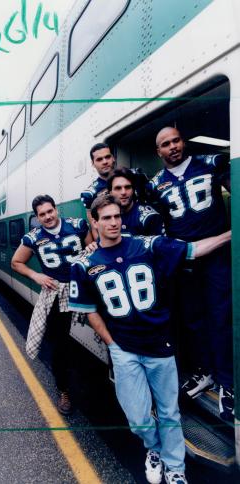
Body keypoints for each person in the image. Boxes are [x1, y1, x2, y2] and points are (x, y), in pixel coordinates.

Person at [68, 195, 231, 484]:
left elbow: (193, 249)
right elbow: (89, 311)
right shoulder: (83, 264)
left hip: (158, 345)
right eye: (106, 217)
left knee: (169, 412)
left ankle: (175, 467)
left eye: (117, 216)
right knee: (139, 419)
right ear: (94, 222)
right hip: (124, 349)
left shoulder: (146, 244)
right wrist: (112, 344)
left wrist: (232, 233)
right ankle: (153, 449)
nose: (114, 222)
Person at [148, 127, 233, 421]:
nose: (172, 147)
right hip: (186, 262)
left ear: (183, 142)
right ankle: (206, 371)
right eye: (165, 144)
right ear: (158, 152)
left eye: (175, 141)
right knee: (194, 321)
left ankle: (227, 382)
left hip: (217, 257)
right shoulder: (155, 185)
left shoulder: (210, 164)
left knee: (220, 317)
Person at [11, 195, 92, 414]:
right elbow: (16, 262)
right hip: (57, 293)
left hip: (83, 288)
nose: (47, 217)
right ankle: (63, 389)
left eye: (49, 211)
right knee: (61, 344)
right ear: (36, 217)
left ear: (56, 209)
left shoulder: (77, 226)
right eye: (42, 214)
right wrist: (36, 276)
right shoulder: (33, 237)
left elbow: (93, 249)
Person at [107, 167, 164, 235]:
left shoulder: (149, 217)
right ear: (110, 192)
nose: (123, 192)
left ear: (133, 190)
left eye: (127, 187)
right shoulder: (106, 216)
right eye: (118, 188)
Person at [81, 143, 116, 238]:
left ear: (113, 158)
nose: (105, 162)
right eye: (99, 159)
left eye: (107, 157)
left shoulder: (128, 179)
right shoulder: (89, 193)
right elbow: (94, 225)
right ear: (93, 163)